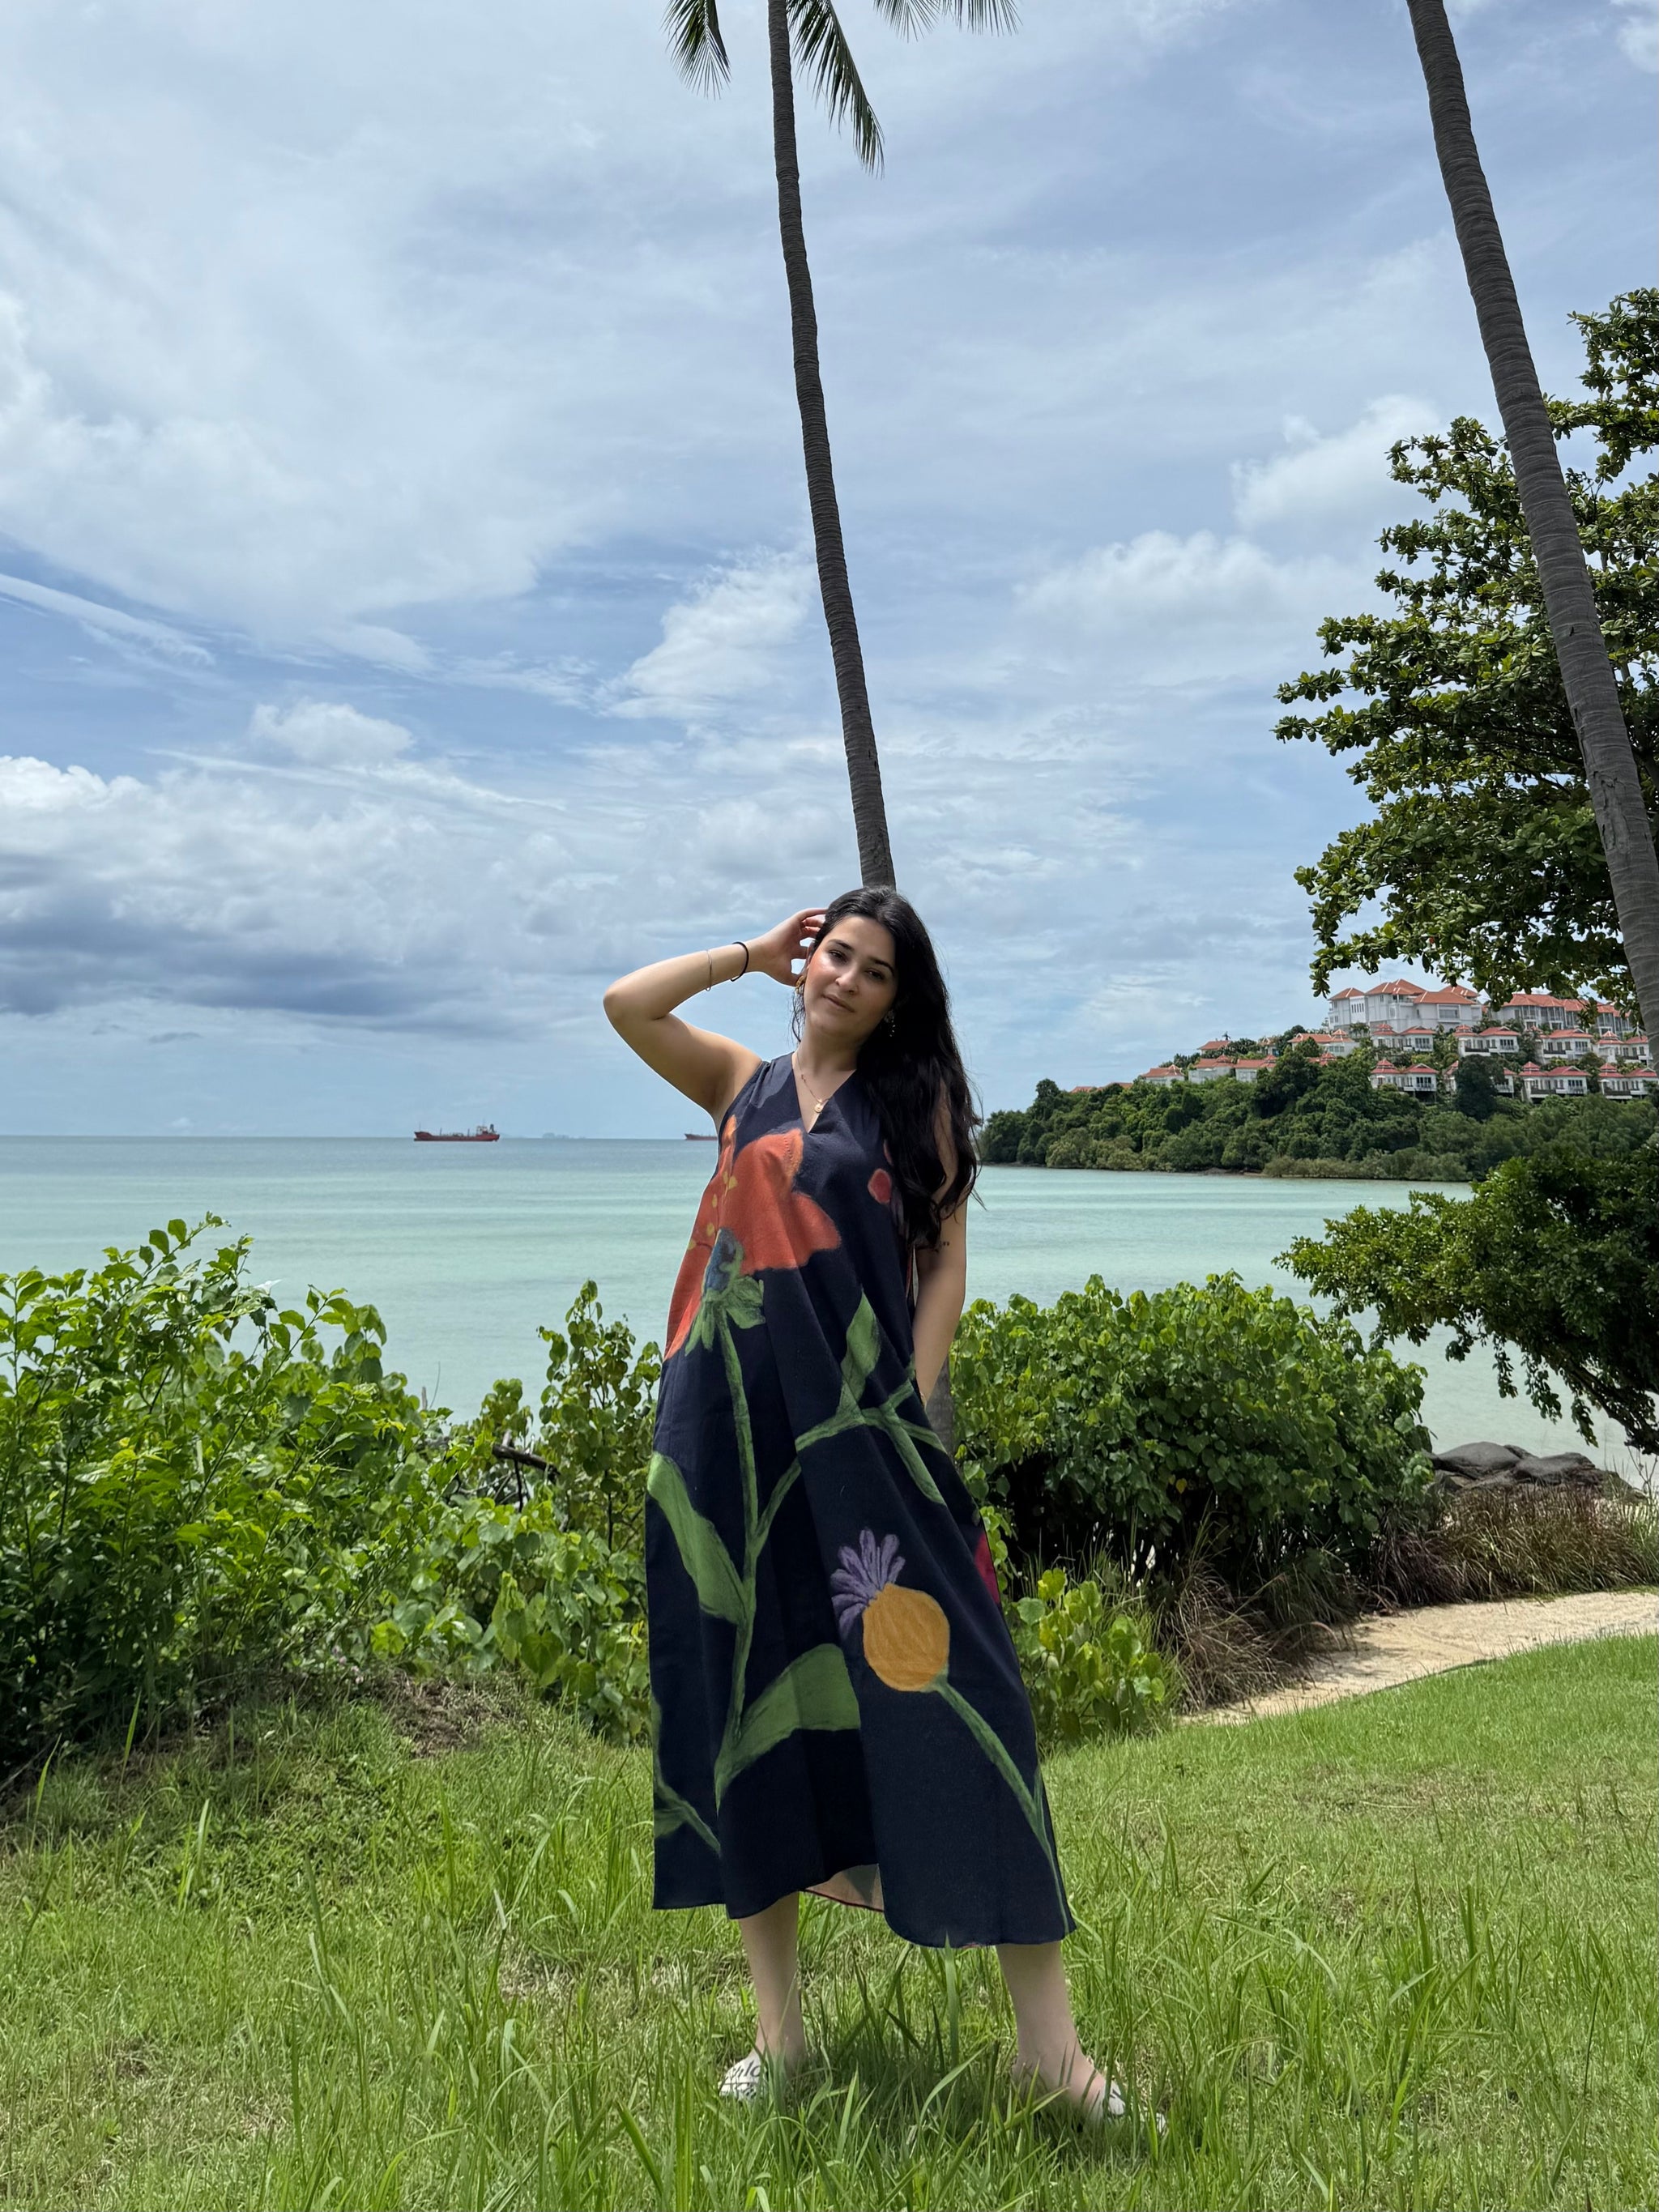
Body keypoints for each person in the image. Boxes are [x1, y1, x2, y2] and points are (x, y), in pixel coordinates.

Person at [604, 889, 1120, 2120]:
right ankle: (781, 2042)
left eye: (873, 970)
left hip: (863, 1433)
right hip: (723, 1431)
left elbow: (941, 1256)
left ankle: (1051, 2058)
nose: (844, 978)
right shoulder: (739, 1081)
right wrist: (747, 953)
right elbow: (628, 1004)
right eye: (834, 954)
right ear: (808, 960)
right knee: (744, 1702)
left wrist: (915, 1400)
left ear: (901, 998)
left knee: (966, 1689)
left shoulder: (911, 1104)